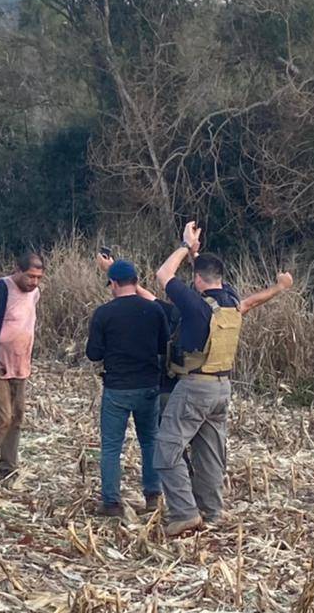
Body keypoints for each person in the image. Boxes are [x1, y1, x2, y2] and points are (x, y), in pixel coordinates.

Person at [155, 222, 293, 536]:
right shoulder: (230, 301)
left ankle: (184, 513)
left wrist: (185, 246)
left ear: (197, 281)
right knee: (211, 455)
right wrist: (280, 287)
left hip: (194, 387)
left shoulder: (195, 306)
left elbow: (163, 275)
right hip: (222, 389)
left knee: (166, 452)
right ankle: (211, 512)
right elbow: (252, 302)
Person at [85, 258, 170, 516]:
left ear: (112, 283)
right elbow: (163, 346)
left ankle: (111, 502)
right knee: (150, 442)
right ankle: (152, 495)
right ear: (136, 281)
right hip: (148, 386)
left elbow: (93, 354)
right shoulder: (154, 311)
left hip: (117, 388)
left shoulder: (104, 313)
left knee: (111, 446)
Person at [0, 251, 45, 481]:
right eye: (30, 276)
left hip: (20, 365)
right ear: (17, 270)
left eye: (38, 277)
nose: (33, 282)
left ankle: (8, 468)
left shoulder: (34, 293)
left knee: (16, 417)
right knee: (1, 419)